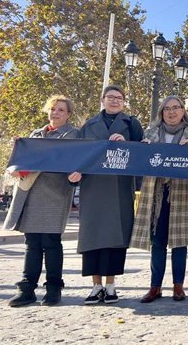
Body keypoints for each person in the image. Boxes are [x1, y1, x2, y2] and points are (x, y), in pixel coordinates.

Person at [69, 85, 143, 305]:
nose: (115, 101)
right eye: (111, 97)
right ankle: (96, 285)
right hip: (93, 188)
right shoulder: (89, 125)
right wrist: (76, 174)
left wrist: (127, 144)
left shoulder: (132, 123)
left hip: (120, 187)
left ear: (123, 102)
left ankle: (110, 285)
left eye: (119, 98)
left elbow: (142, 151)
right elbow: (80, 154)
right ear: (102, 100)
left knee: (115, 237)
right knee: (92, 237)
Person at [3, 95, 78, 307]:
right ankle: (26, 289)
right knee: (32, 243)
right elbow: (22, 160)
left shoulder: (73, 135)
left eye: (61, 110)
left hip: (55, 193)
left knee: (51, 243)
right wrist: (18, 149)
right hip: (31, 193)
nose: (56, 113)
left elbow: (73, 161)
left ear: (68, 114)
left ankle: (54, 289)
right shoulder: (35, 134)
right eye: (53, 109)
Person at [130, 95, 188, 303]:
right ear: (161, 112)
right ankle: (155, 287)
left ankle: (178, 286)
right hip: (156, 193)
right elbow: (140, 161)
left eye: (176, 108)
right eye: (167, 109)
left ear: (183, 111)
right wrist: (142, 149)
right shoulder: (150, 134)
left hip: (182, 192)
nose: (171, 112)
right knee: (158, 241)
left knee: (180, 242)